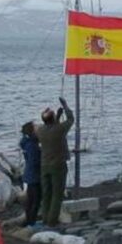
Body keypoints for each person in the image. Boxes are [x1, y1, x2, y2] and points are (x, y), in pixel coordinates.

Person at [35, 97, 74, 229]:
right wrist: (66, 105)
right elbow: (71, 120)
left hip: (44, 165)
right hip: (58, 165)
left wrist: (57, 116)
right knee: (57, 194)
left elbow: (52, 127)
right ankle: (51, 222)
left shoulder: (40, 130)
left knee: (46, 194)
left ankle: (45, 218)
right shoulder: (59, 130)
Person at [18, 122, 41, 227]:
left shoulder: (27, 143)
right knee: (35, 200)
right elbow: (34, 161)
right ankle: (31, 222)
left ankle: (29, 220)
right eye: (36, 128)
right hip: (34, 175)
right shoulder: (32, 145)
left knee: (31, 199)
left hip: (29, 174)